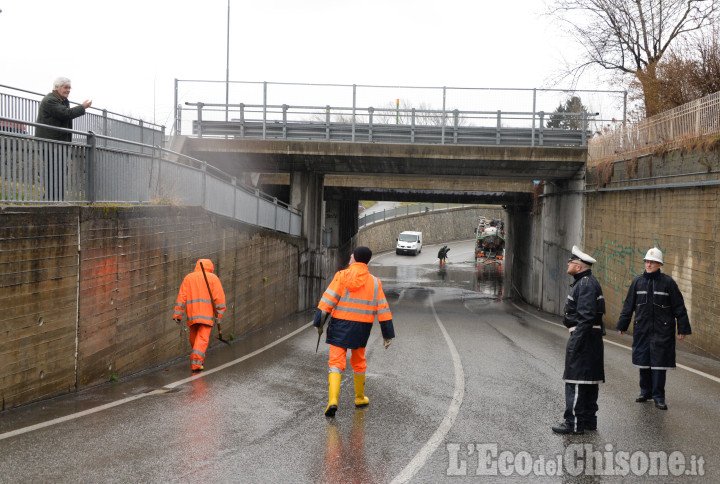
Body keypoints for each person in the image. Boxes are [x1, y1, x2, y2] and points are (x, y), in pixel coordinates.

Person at [314, 246, 395, 417]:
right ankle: (359, 398)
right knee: (359, 362)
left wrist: (319, 324)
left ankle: (333, 401)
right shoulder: (374, 283)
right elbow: (383, 309)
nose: (350, 256)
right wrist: (387, 333)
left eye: (352, 255)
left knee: (336, 362)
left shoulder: (341, 276)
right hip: (361, 328)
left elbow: (327, 301)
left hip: (340, 326)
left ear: (356, 258)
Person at [615, 247, 691, 410]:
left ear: (659, 265)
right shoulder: (637, 282)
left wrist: (682, 328)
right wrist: (623, 324)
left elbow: (679, 306)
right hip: (642, 329)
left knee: (658, 364)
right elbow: (629, 305)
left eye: (653, 262)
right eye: (647, 262)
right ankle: (645, 392)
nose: (649, 265)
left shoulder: (668, 283)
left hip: (662, 331)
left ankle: (658, 396)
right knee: (643, 361)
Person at [552, 245, 605, 435]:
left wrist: (575, 343)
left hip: (584, 338)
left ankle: (573, 423)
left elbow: (586, 317)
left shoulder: (584, 284)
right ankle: (589, 421)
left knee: (574, 381)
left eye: (571, 261)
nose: (568, 263)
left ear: (579, 266)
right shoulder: (587, 283)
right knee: (588, 382)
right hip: (591, 339)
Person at [35, 77, 92, 200]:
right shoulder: (50, 100)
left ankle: (56, 197)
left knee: (60, 169)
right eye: (66, 87)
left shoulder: (62, 101)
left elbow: (66, 114)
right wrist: (82, 107)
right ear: (57, 87)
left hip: (58, 143)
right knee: (53, 169)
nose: (68, 90)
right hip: (49, 142)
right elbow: (66, 114)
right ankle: (50, 198)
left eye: (69, 88)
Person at [172, 259, 227, 372]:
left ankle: (198, 361)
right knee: (201, 340)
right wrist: (219, 316)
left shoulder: (189, 278)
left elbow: (182, 297)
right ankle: (197, 362)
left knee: (194, 339)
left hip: (193, 315)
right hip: (206, 316)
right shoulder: (213, 278)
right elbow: (220, 299)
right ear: (210, 267)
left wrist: (178, 314)